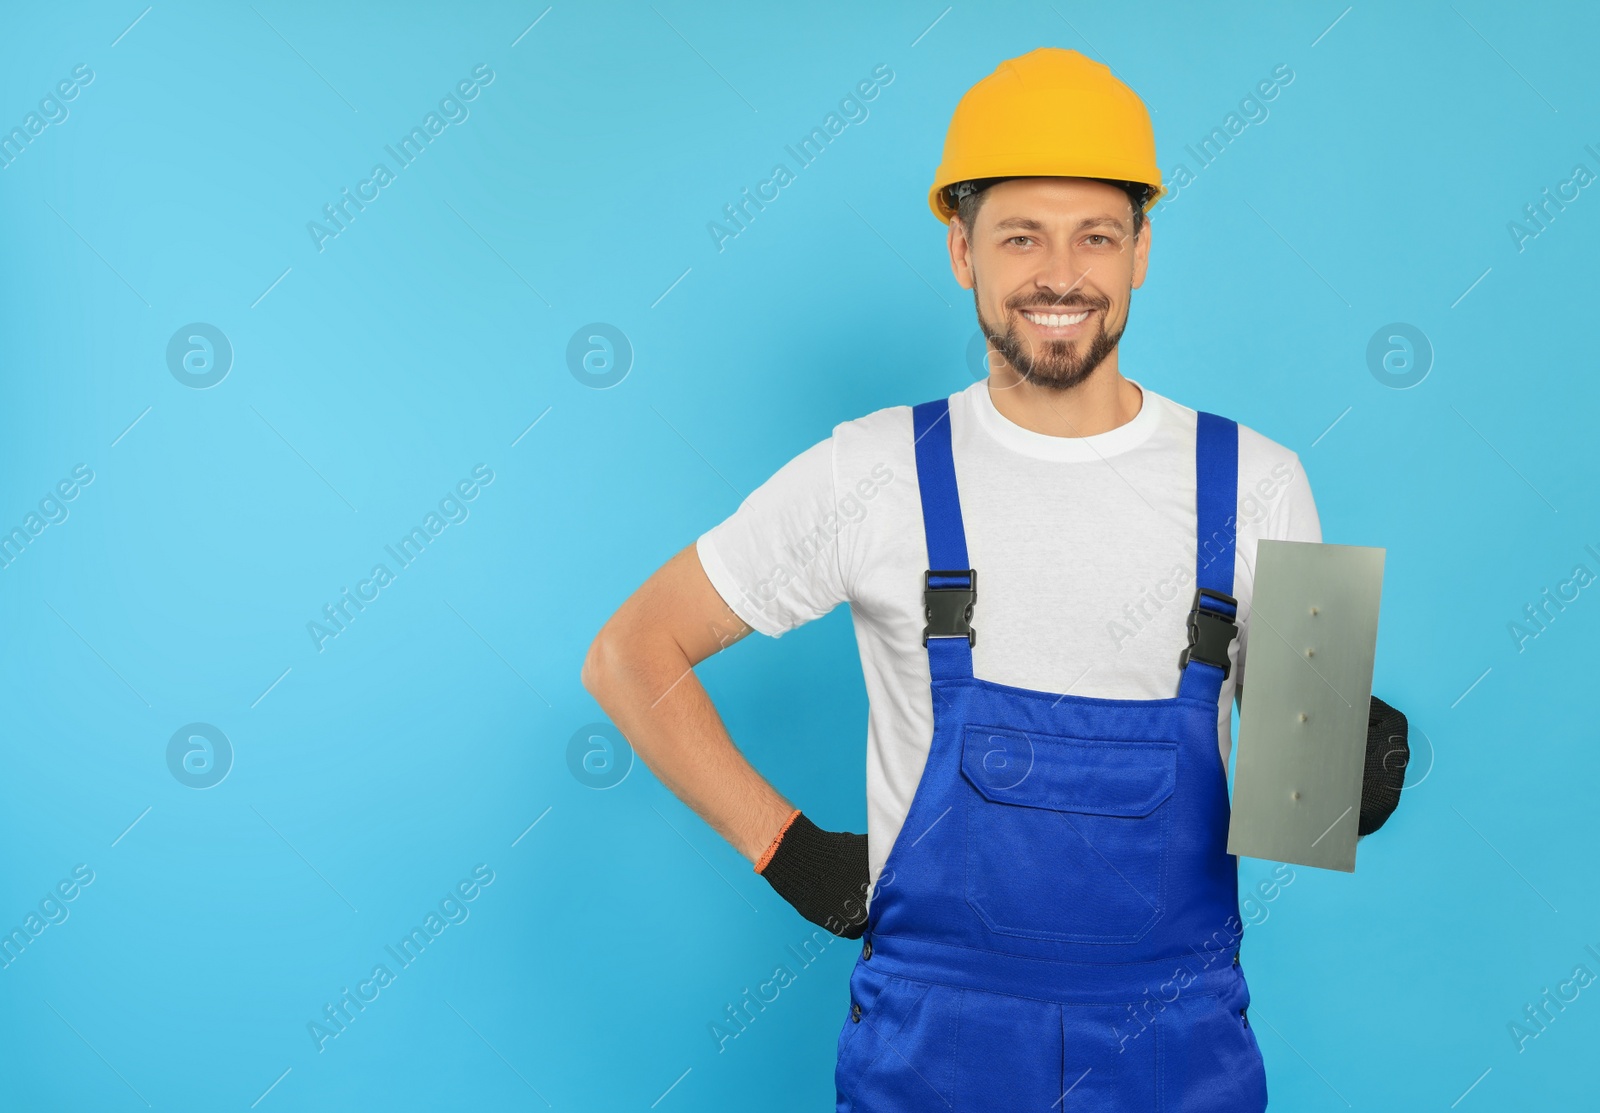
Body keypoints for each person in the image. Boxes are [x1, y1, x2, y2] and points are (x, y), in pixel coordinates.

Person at [582, 46, 1407, 1112]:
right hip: (931, 1052)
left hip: (1174, 1047)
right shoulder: (868, 469)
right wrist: (784, 849)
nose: (1059, 274)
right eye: (1021, 235)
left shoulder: (1263, 479)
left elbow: (1304, 789)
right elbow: (629, 654)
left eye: (1095, 236)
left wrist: (1359, 760)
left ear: (1142, 249)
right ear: (959, 247)